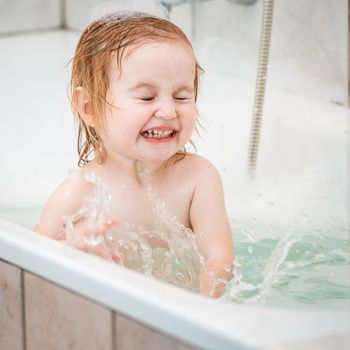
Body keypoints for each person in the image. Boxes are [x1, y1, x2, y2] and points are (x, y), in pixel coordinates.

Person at [34, 11, 234, 298]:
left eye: (181, 95)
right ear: (89, 107)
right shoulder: (80, 190)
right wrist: (69, 250)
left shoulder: (198, 179)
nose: (168, 111)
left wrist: (204, 307)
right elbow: (31, 260)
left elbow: (219, 259)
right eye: (146, 97)